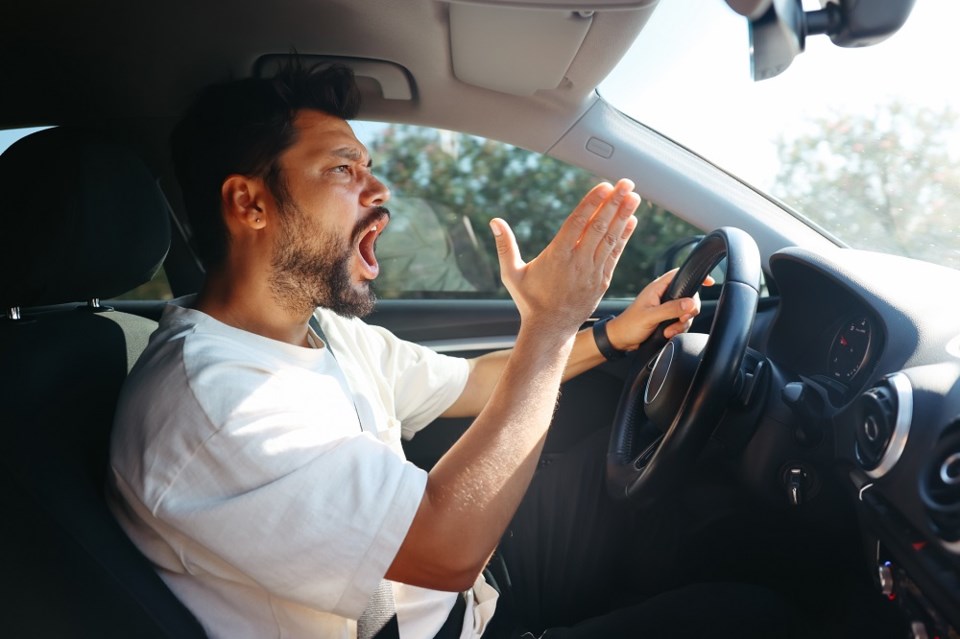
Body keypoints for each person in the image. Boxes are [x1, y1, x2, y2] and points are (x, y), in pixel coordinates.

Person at [108, 64, 782, 639]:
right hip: (444, 604)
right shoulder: (210, 406)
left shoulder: (319, 330)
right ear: (248, 203)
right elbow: (447, 546)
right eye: (343, 169)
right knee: (748, 619)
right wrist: (547, 325)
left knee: (677, 503)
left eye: (369, 168)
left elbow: (471, 383)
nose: (378, 192)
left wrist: (611, 333)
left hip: (473, 588)